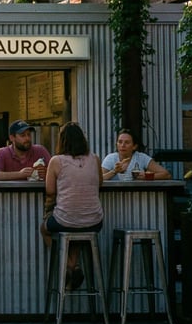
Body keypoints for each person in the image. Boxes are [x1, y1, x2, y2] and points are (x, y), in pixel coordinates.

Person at [40, 122, 104, 290]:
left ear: (62, 141)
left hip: (65, 220)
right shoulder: (95, 159)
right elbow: (100, 183)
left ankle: (68, 266)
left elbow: (50, 190)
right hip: (95, 223)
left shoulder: (56, 161)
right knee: (75, 234)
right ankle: (73, 268)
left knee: (45, 229)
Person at [101, 129, 172, 181]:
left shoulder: (141, 158)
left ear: (134, 146)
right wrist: (114, 171)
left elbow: (166, 174)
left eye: (127, 142)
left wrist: (146, 176)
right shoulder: (110, 158)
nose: (122, 145)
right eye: (120, 142)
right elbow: (99, 178)